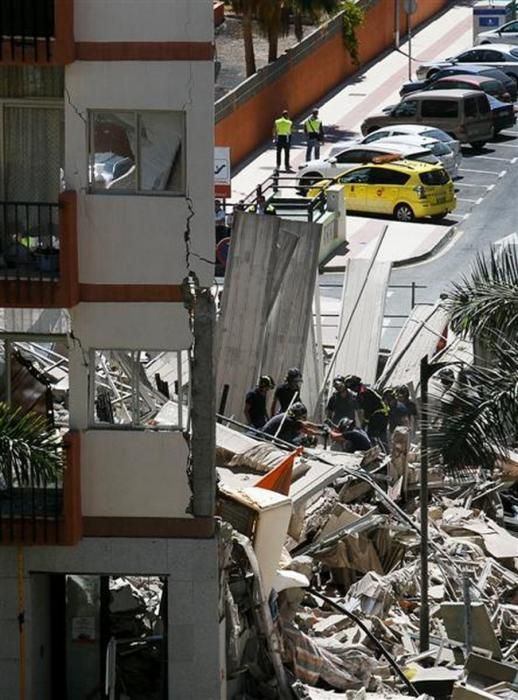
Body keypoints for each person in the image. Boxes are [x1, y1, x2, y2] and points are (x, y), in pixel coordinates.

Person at [345, 375, 389, 451]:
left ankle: (379, 452)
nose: (353, 390)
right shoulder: (363, 391)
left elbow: (367, 409)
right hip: (382, 415)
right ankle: (385, 452)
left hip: (378, 415)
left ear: (356, 385)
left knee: (372, 435)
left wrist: (364, 422)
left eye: (353, 387)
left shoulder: (364, 393)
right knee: (381, 437)